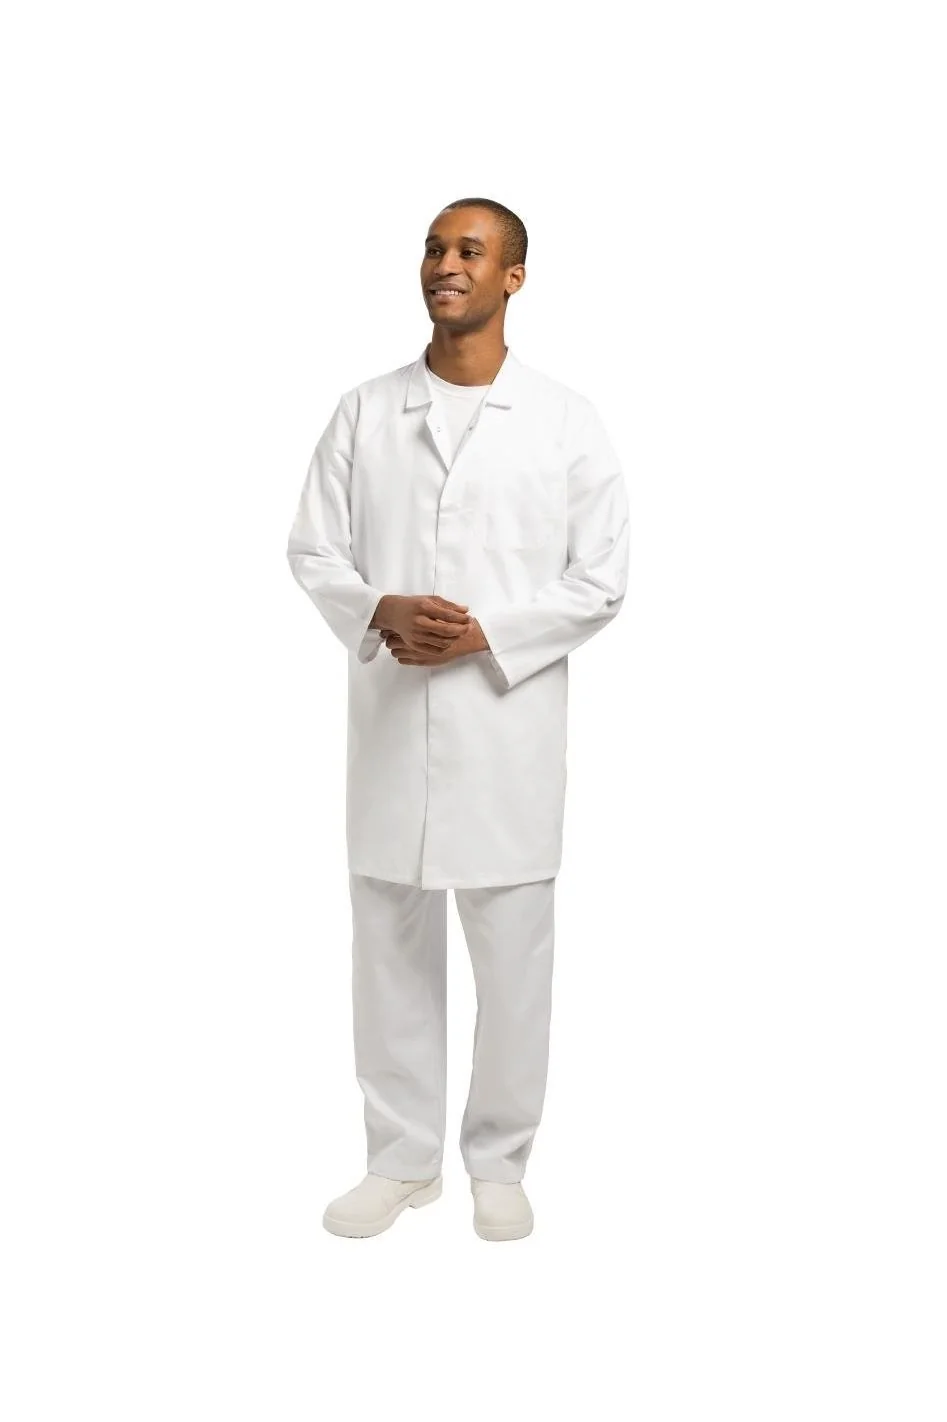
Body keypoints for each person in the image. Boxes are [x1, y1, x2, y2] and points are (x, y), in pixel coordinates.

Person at [286, 197, 630, 1241]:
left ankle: (498, 1161)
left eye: (470, 251)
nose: (446, 263)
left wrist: (488, 634)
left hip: (506, 736)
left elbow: (600, 579)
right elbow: (313, 550)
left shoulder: (565, 421)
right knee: (387, 948)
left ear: (513, 277)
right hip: (390, 732)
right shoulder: (364, 411)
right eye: (435, 248)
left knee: (513, 958)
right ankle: (399, 1161)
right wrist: (376, 608)